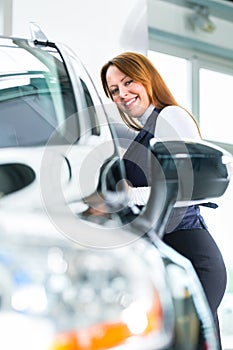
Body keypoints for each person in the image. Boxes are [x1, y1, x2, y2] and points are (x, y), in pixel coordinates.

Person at [100, 51, 226, 348]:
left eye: (128, 82)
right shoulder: (143, 133)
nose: (123, 94)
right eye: (115, 90)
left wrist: (125, 196)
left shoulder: (170, 115)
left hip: (192, 255)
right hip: (167, 253)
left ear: (147, 78)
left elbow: (188, 186)